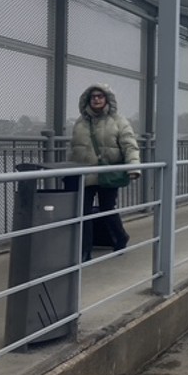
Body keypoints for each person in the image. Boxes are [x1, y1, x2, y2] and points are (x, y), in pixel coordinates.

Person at [70, 84, 140, 262]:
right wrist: (67, 170)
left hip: (108, 172)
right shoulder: (80, 122)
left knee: (107, 208)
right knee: (82, 212)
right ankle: (84, 252)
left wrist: (133, 167)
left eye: (100, 96)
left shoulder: (118, 121)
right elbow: (74, 149)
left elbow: (129, 144)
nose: (96, 99)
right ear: (88, 99)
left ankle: (120, 238)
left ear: (107, 99)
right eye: (93, 96)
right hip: (85, 173)